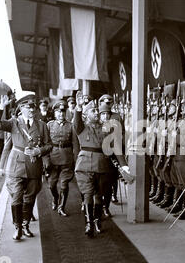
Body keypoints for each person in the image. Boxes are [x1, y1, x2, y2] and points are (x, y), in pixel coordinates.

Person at [0, 94, 51, 240]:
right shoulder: (14, 123)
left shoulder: (41, 125)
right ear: (21, 108)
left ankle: (25, 225)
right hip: (16, 166)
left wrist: (39, 151)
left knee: (30, 198)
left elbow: (49, 145)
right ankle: (17, 227)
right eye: (28, 107)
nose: (32, 110)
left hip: (34, 166)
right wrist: (0, 107)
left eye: (33, 107)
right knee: (17, 197)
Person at [73, 96, 130, 237]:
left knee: (99, 195)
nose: (97, 113)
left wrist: (124, 166)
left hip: (102, 165)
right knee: (87, 194)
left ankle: (97, 220)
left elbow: (116, 147)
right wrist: (79, 108)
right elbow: (77, 121)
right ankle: (88, 223)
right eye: (93, 111)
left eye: (97, 111)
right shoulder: (81, 128)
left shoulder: (107, 129)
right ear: (86, 115)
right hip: (85, 165)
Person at [45, 100, 76, 217]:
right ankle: (55, 198)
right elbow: (46, 143)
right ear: (54, 113)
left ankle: (61, 207)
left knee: (64, 184)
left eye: (62, 112)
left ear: (65, 113)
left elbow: (75, 144)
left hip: (67, 158)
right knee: (51, 185)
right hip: (52, 159)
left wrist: (75, 159)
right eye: (58, 112)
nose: (60, 114)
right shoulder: (49, 125)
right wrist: (46, 159)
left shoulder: (71, 126)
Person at [98, 94, 124, 216]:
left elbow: (120, 137)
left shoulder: (116, 118)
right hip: (98, 158)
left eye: (109, 103)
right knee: (98, 185)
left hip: (112, 156)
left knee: (110, 182)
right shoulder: (95, 123)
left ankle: (106, 206)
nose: (105, 115)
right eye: (104, 102)